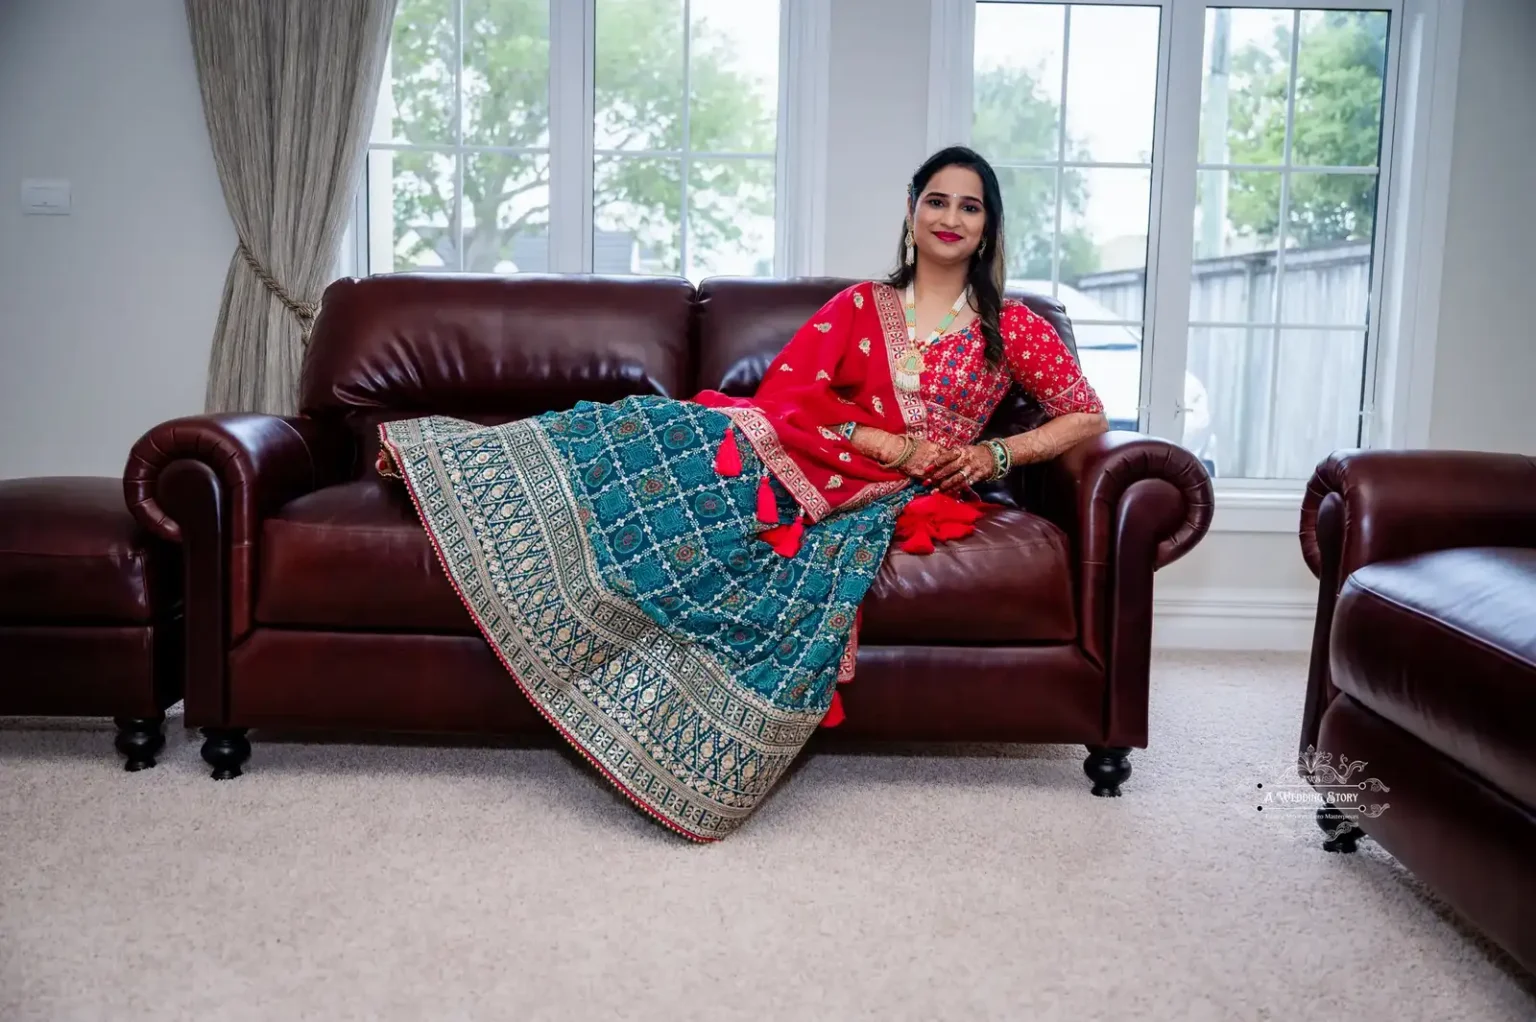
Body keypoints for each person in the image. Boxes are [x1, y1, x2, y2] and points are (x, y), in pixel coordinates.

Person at [377, 146, 1108, 841]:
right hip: (824, 448)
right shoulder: (861, 305)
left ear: (989, 226)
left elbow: (1086, 413)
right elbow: (790, 392)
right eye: (937, 201)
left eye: (970, 207)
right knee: (650, 424)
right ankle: (455, 463)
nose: (951, 217)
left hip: (901, 491)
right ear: (912, 213)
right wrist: (882, 441)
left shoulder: (1014, 327)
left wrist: (998, 451)